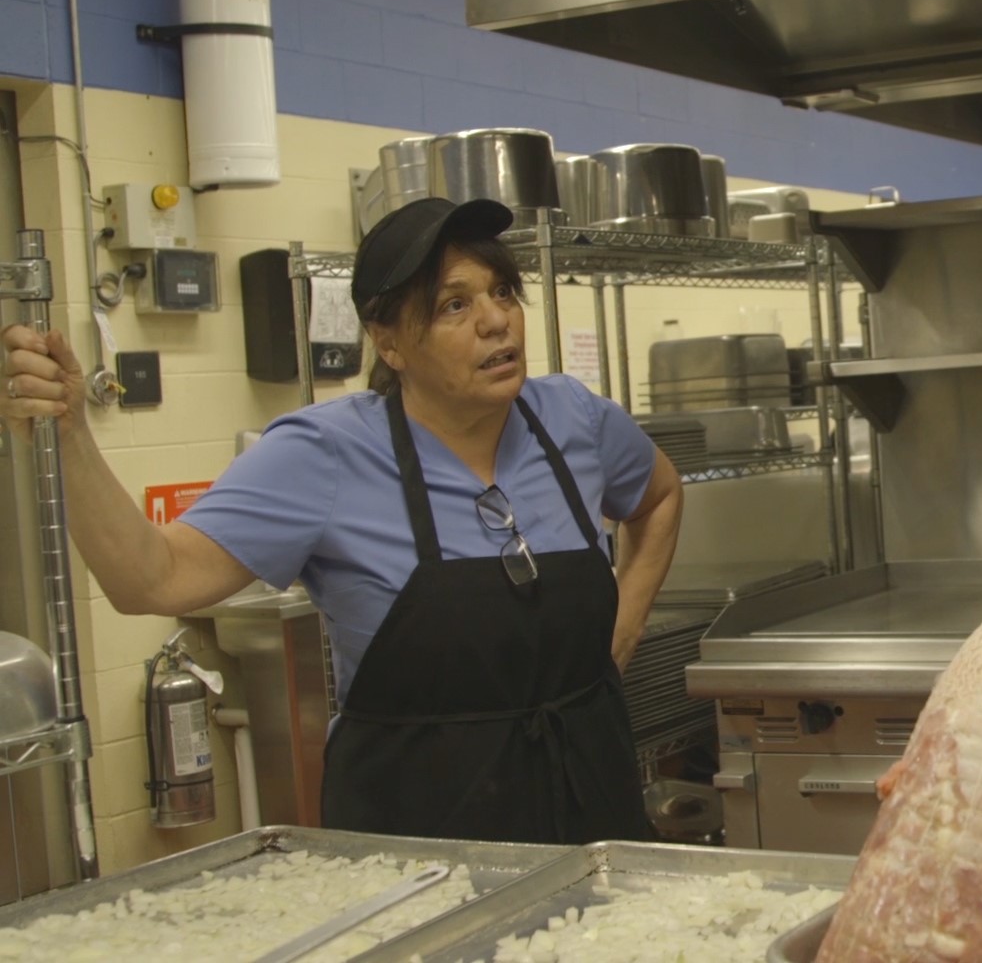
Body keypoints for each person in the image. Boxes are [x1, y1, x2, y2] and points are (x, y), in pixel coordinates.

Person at [1, 197, 684, 844]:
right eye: (454, 305)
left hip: (595, 810)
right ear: (390, 343)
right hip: (425, 836)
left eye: (502, 292)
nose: (495, 320)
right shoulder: (323, 454)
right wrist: (70, 434)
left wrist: (624, 622)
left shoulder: (573, 417)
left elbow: (659, 497)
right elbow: (152, 579)